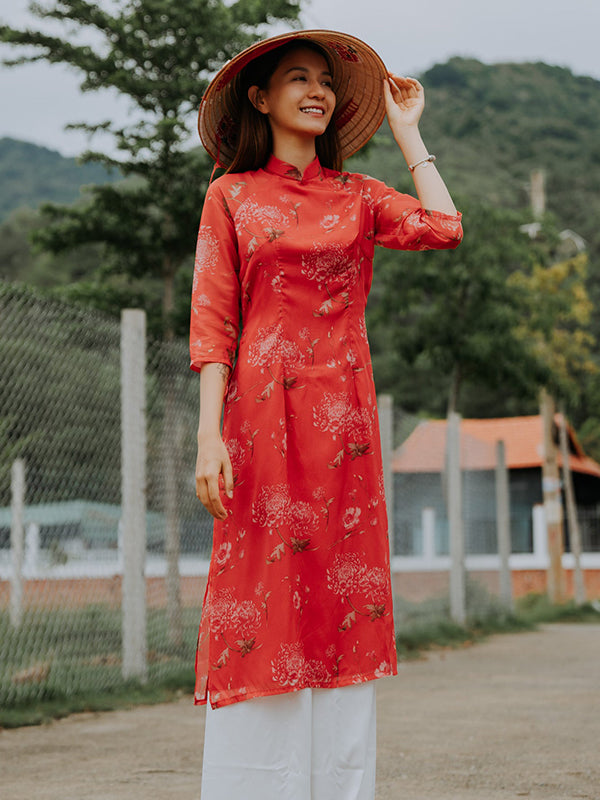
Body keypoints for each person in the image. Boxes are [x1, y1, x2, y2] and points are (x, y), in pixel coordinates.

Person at [190, 29, 462, 800]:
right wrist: (209, 435)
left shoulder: (359, 196)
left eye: (326, 82)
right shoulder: (230, 195)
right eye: (298, 79)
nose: (318, 92)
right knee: (261, 595)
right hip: (259, 418)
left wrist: (408, 133)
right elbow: (213, 322)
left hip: (343, 423)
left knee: (342, 594)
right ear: (259, 98)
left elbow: (445, 227)